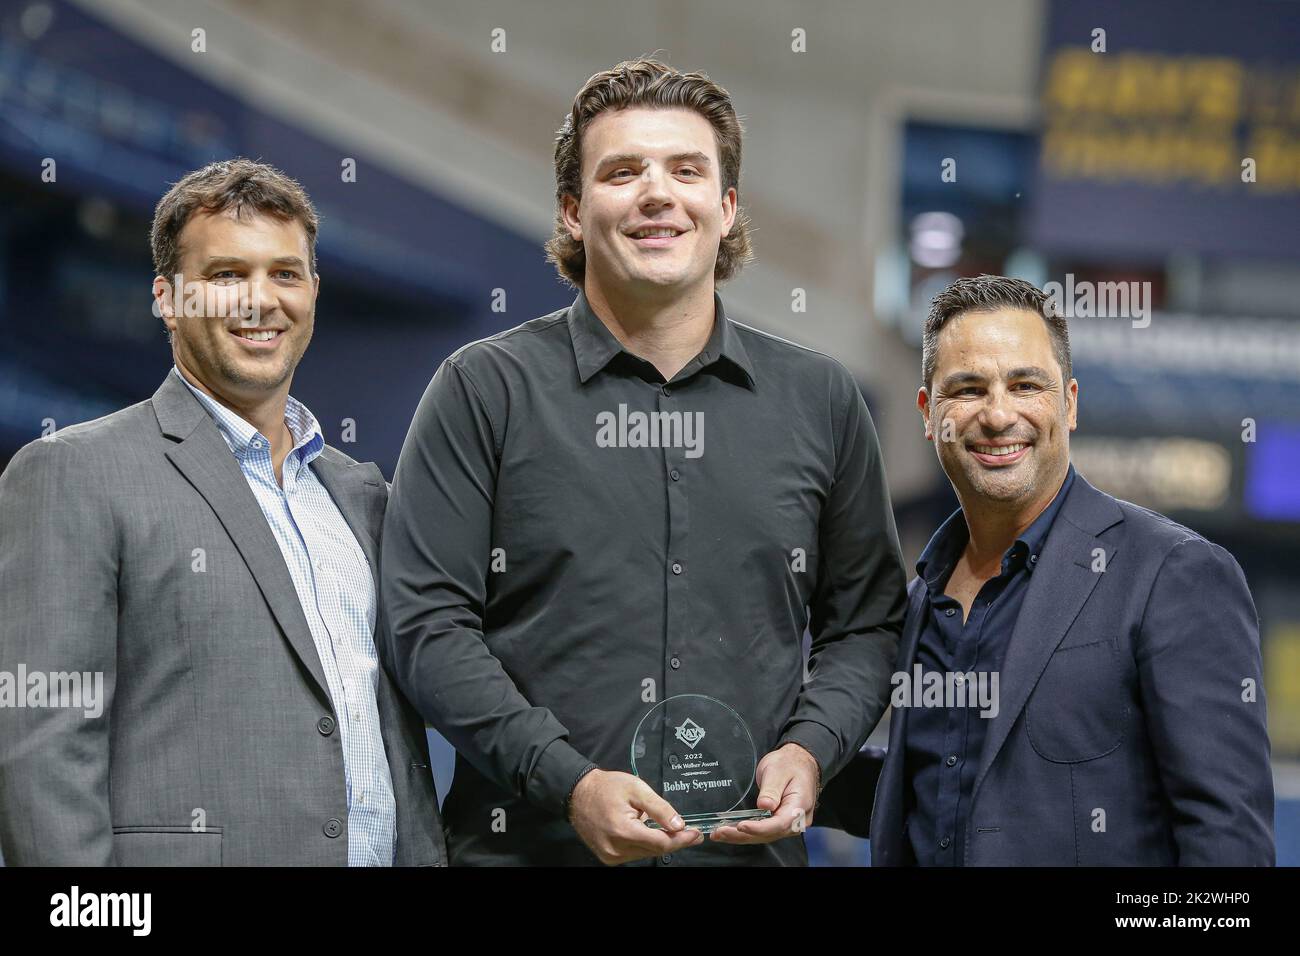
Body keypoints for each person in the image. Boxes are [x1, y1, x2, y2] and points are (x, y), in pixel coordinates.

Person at [380, 58, 908, 866]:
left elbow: (867, 623)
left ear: (726, 208)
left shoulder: (822, 402)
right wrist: (568, 781)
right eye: (622, 172)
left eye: (687, 171)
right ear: (571, 210)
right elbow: (426, 625)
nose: (657, 194)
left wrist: (811, 749)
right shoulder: (484, 391)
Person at [0, 159, 444, 866]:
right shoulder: (73, 472)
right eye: (227, 276)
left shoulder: (362, 496)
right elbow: (42, 749)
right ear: (168, 299)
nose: (260, 300)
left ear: (313, 294)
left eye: (285, 274)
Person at [825, 274, 1273, 866]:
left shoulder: (1174, 574)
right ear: (929, 413)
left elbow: (1227, 844)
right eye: (967, 389)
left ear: (1069, 404)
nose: (998, 414)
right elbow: (951, 790)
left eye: (1025, 384)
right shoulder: (918, 599)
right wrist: (783, 767)